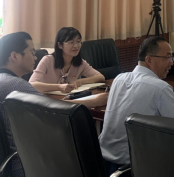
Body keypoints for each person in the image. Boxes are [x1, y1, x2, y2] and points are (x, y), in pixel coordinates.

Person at [0, 32, 108, 177]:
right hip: (24, 163)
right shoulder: (15, 85)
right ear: (14, 56)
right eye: (32, 52)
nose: (35, 57)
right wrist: (94, 101)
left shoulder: (4, 80)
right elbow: (55, 111)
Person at [100, 36, 174, 174]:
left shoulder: (119, 79)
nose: (171, 63)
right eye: (167, 58)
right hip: (134, 166)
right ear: (149, 60)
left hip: (103, 161)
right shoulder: (160, 87)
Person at [29, 27, 105, 93]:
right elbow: (32, 84)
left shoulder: (80, 63)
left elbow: (100, 77)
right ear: (59, 45)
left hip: (66, 100)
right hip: (47, 100)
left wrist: (81, 81)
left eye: (78, 42)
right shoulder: (48, 60)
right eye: (71, 42)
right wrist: (59, 87)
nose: (76, 46)